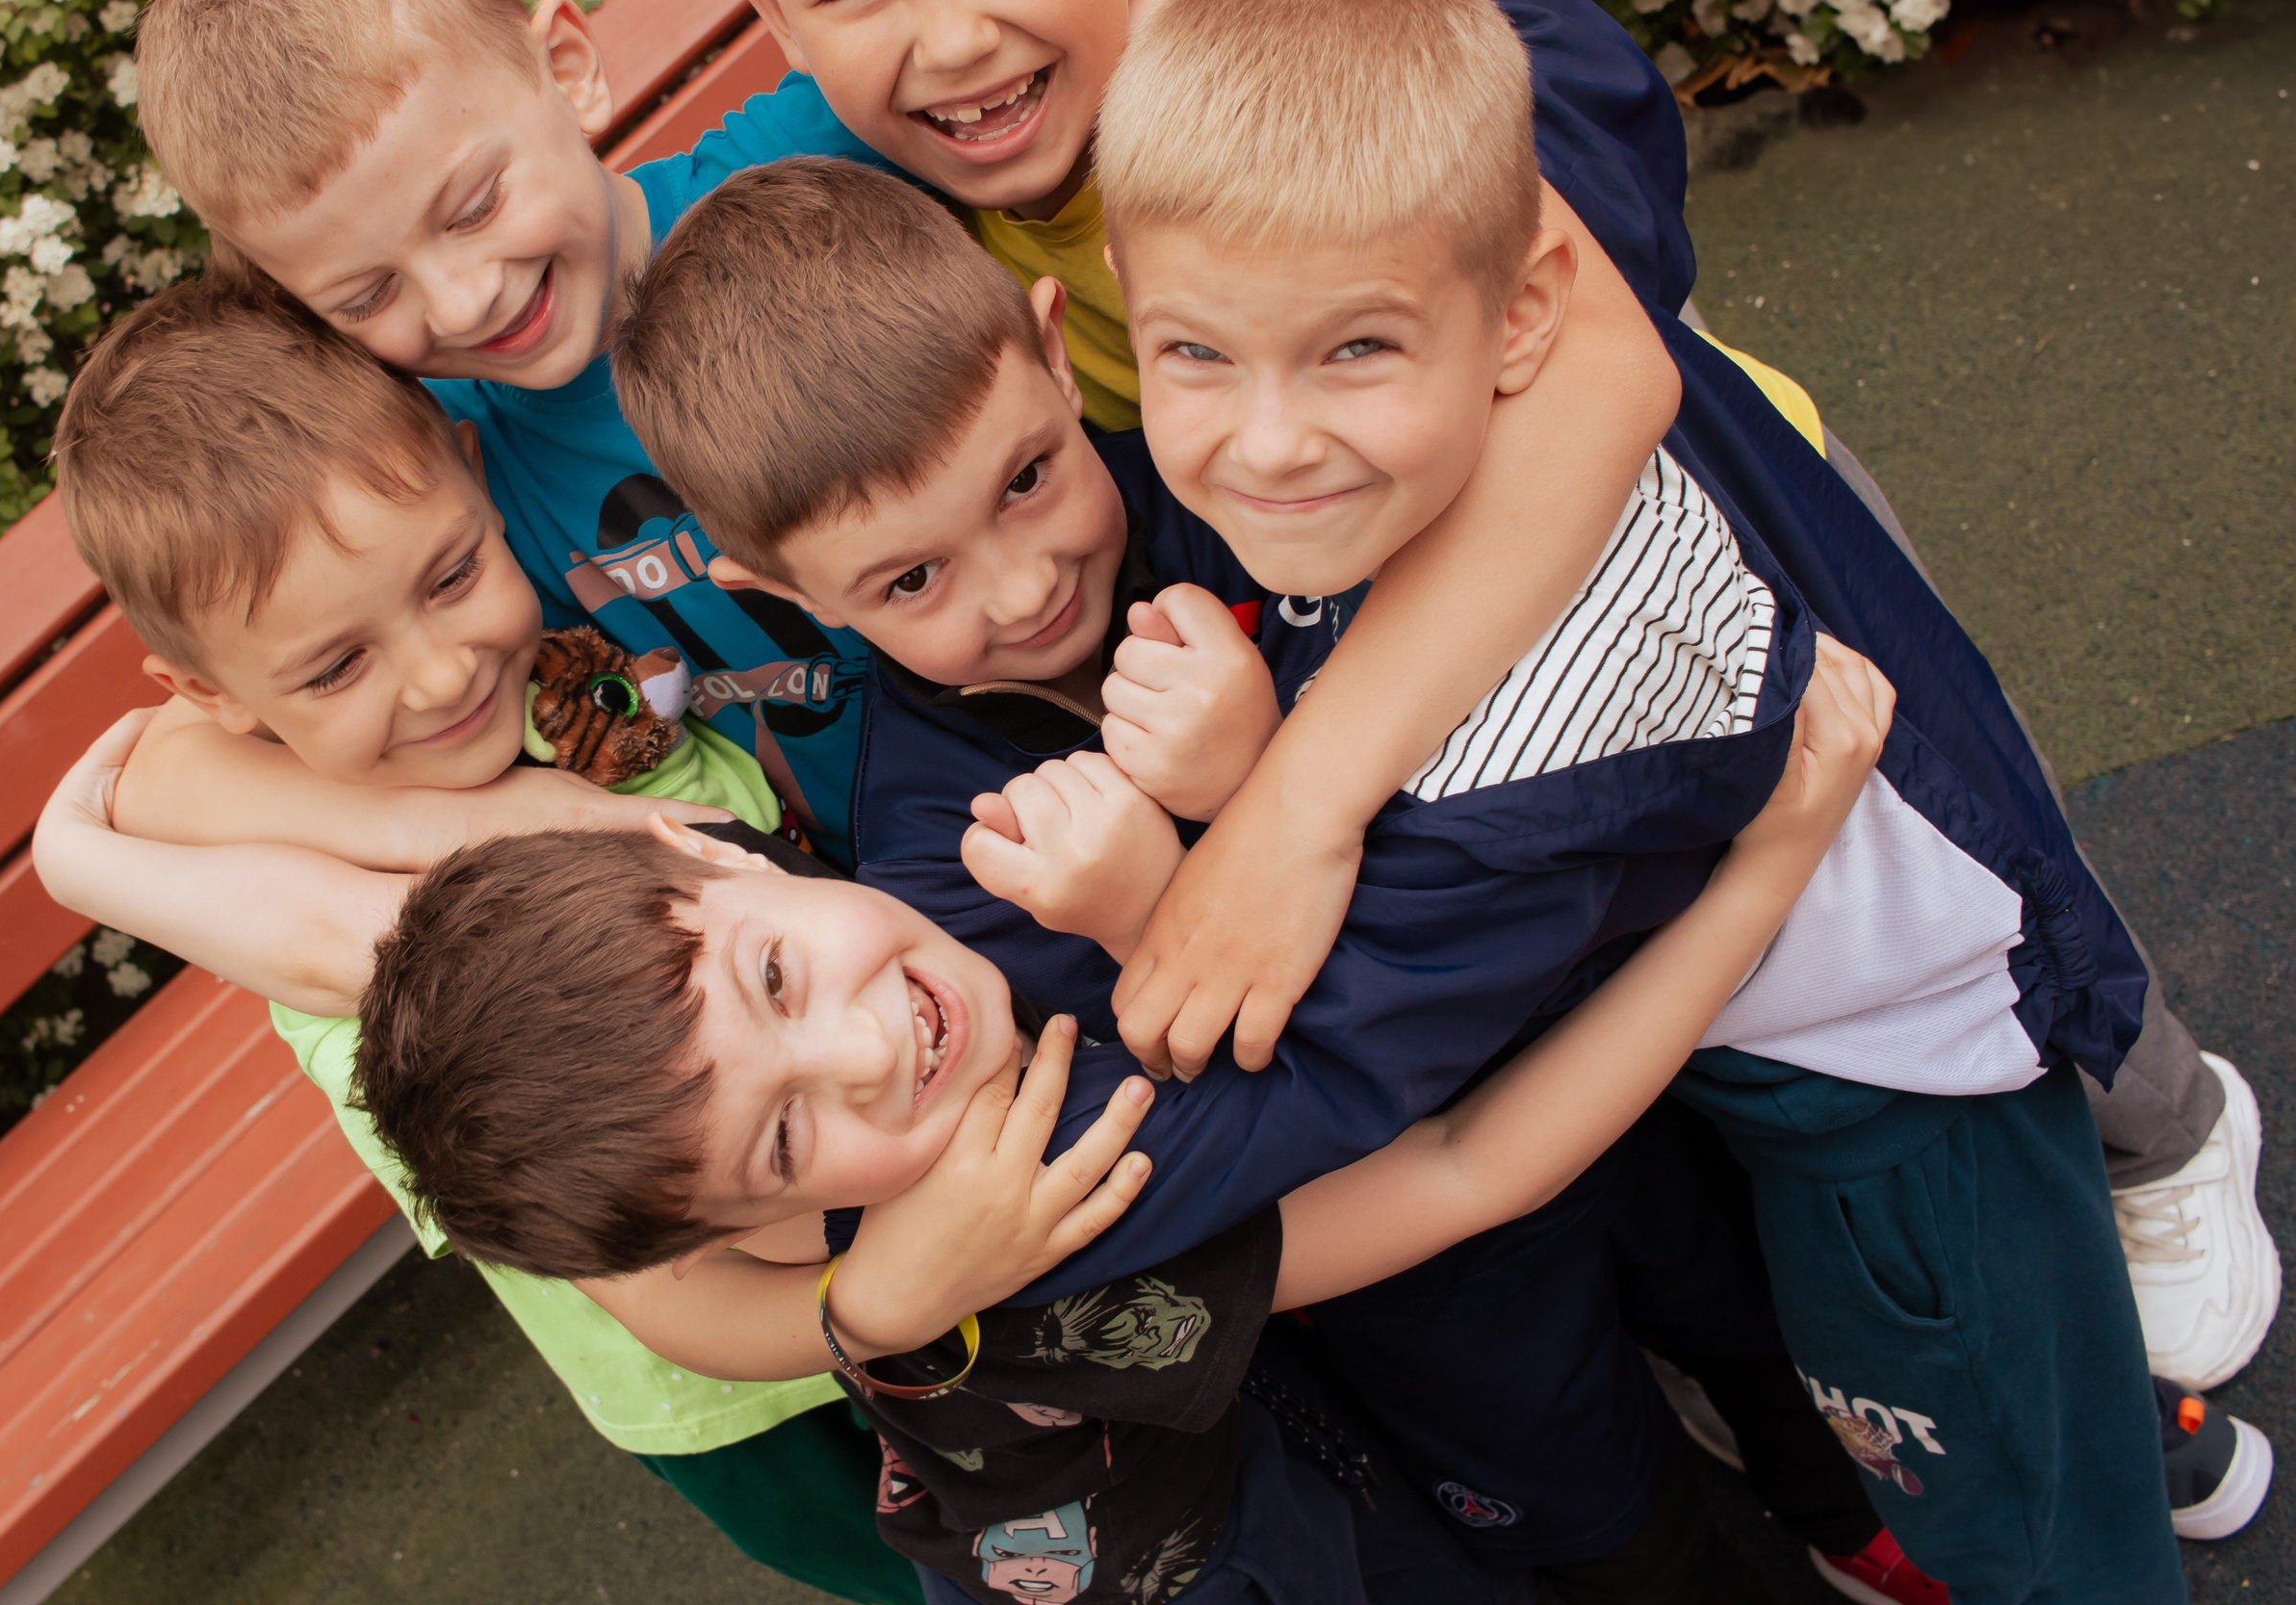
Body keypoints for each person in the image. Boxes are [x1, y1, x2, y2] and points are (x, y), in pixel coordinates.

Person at [694, 0, 2278, 1396]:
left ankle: (2162, 1120)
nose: (947, 35)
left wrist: (1297, 806)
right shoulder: (913, 175)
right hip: (1452, 655)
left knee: (1947, 858)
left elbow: (1608, 385)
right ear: (773, 7)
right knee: (1760, 980)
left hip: (1714, 560)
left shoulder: (1347, 61)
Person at [1091, 0, 2257, 1597]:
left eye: (1355, 349)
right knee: (2029, 1380)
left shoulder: (1548, 739)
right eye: (1198, 354)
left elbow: (1343, 1067)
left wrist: (1015, 1255)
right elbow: (1509, 3)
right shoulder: (1461, 438)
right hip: (1797, 1039)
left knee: (2003, 1481)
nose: (1265, 443)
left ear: (1525, 315)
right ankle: (2159, 1449)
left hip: (1891, 1101)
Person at [608, 157, 1937, 1601]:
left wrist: (1271, 775)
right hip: (1415, 1272)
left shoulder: (1245, 489)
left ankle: (1834, 1505)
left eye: (1029, 479)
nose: (1023, 585)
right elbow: (1207, 1093)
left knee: (1747, 1316)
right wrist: (1171, 883)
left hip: (1626, 1064)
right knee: (1597, 1511)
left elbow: (1471, 710)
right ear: (782, 598)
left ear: (1057, 350)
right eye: (910, 583)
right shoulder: (933, 849)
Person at [350, 634, 1896, 1605]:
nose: (865, 1048)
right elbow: (1467, 1165)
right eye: (786, 1136)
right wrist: (1763, 872)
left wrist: (106, 822)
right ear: (751, 1221)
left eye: (773, 979)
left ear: (735, 858)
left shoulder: (783, 1004)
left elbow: (652, 1270)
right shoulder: (1049, 1210)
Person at [32, 273, 920, 1605]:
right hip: (764, 1393)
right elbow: (665, 1287)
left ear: (467, 473)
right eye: (337, 668)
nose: (443, 672)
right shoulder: (337, 949)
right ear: (214, 696)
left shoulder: (581, 684)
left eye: (451, 575)